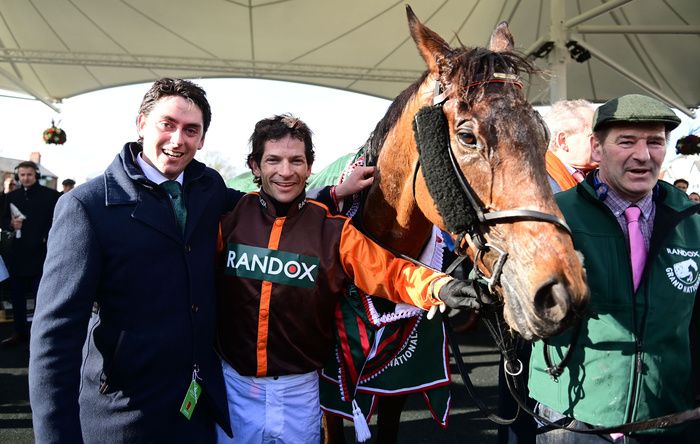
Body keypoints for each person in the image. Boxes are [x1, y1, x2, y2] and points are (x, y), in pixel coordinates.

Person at [27, 78, 378, 443]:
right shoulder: (87, 206)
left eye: (191, 130)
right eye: (168, 124)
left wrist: (335, 192)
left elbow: (267, 205)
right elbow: (54, 337)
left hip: (197, 410)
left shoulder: (206, 187)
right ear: (141, 124)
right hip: (123, 414)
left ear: (202, 139)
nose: (178, 140)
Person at [214, 114, 483, 443]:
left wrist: (441, 287)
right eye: (274, 160)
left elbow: (388, 270)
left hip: (300, 395)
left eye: (296, 160)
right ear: (255, 166)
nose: (285, 172)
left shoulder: (334, 230)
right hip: (234, 390)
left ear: (309, 167)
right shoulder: (229, 219)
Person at [529, 94, 700, 443]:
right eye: (626, 142)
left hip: (670, 415)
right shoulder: (553, 216)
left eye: (655, 142)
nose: (643, 155)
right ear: (597, 147)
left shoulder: (693, 221)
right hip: (575, 414)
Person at [498, 99, 598, 444]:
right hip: (534, 316)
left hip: (559, 321)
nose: (601, 141)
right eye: (592, 133)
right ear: (563, 141)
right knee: (522, 412)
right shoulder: (541, 186)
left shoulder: (577, 180)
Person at [0, 161, 59, 347]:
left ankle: (41, 335)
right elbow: (2, 219)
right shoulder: (11, 197)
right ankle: (20, 333)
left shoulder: (51, 196)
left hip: (43, 255)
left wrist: (47, 235)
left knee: (42, 298)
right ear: (18, 176)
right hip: (18, 256)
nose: (26, 178)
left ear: (36, 175)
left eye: (29, 175)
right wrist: (10, 224)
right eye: (23, 175)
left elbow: (59, 219)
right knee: (17, 298)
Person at [544, 99, 598, 191]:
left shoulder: (595, 177)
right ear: (563, 141)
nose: (602, 142)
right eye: (593, 136)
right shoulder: (540, 180)